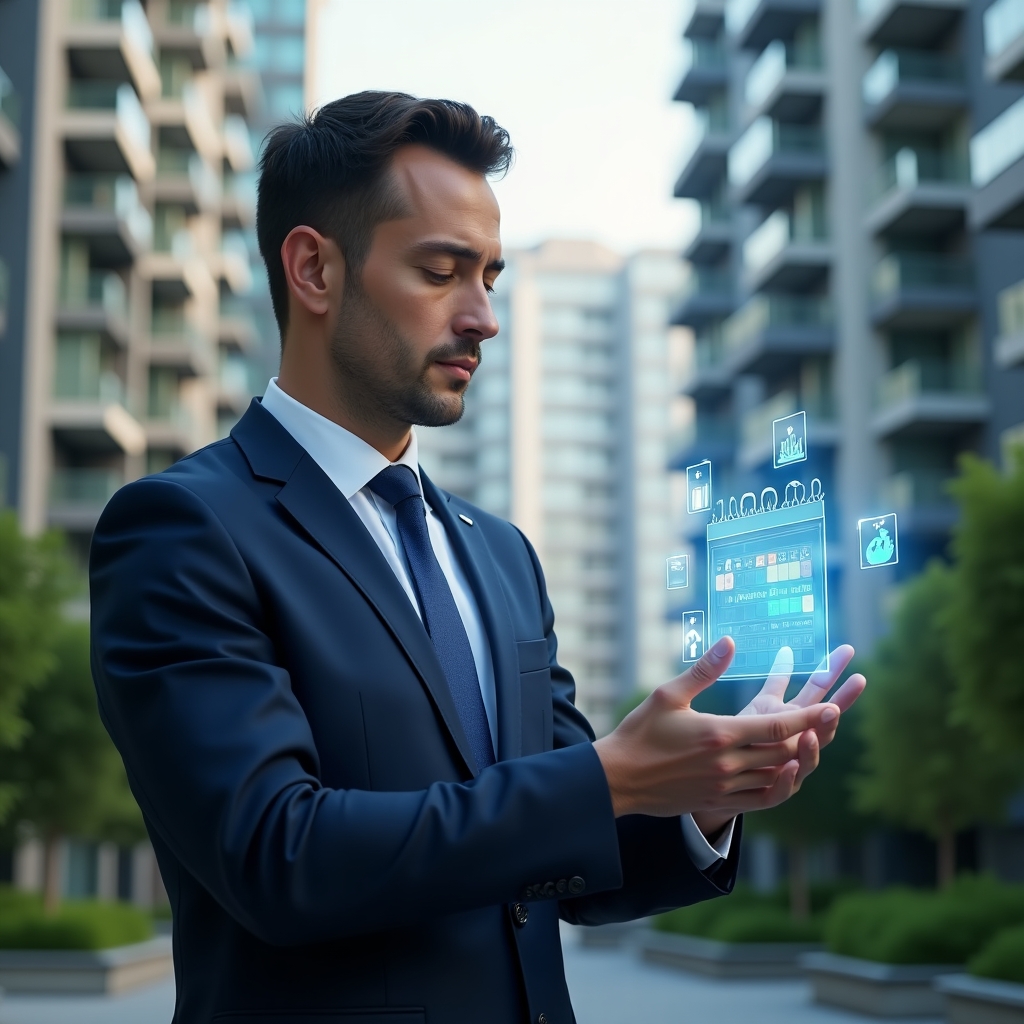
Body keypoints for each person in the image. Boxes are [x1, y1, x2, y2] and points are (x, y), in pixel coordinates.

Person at [90, 92, 866, 1024]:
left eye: (491, 276)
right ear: (313, 269)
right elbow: (274, 856)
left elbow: (568, 859)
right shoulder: (181, 529)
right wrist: (612, 774)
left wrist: (704, 798)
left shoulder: (501, 556)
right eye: (442, 272)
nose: (484, 317)